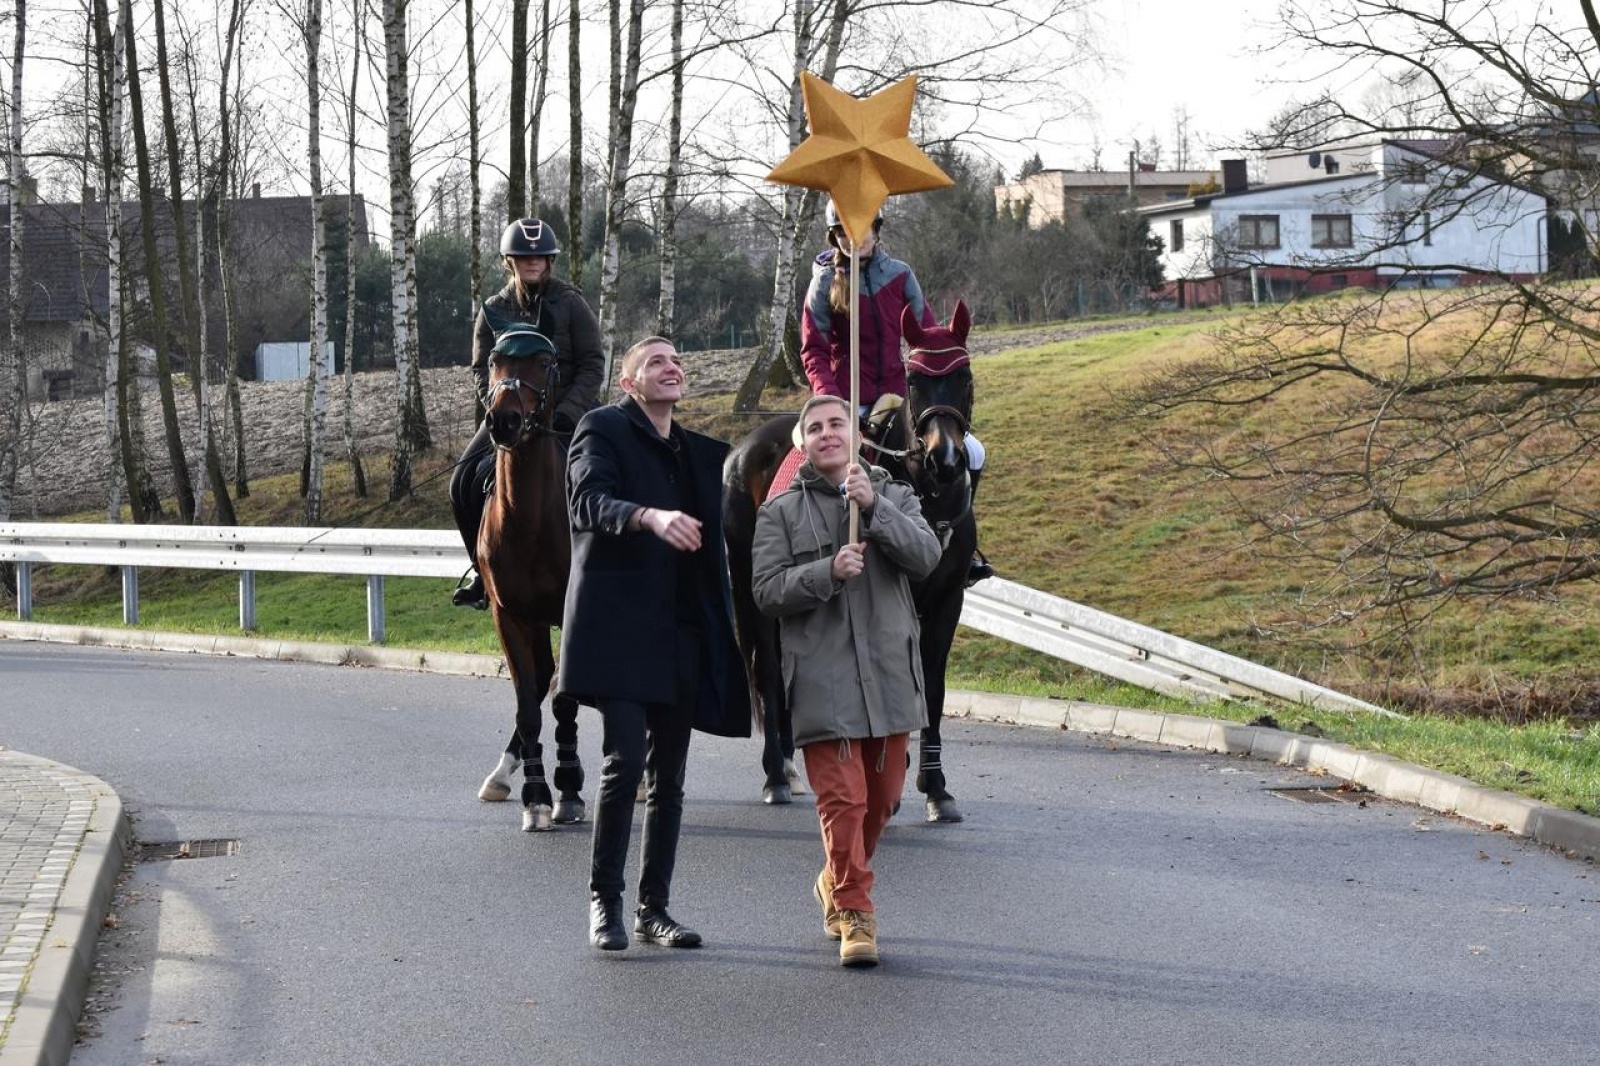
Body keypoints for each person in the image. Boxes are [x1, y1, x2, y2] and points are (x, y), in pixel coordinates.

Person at [558, 335, 752, 953]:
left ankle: (654, 909)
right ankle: (603, 903)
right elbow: (586, 502)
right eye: (655, 362)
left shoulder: (696, 453)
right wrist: (649, 517)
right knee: (622, 768)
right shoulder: (601, 428)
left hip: (681, 632)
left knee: (670, 778)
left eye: (676, 360)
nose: (672, 368)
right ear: (629, 383)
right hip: (619, 630)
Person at [751, 393, 941, 968]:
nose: (828, 433)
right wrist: (825, 572)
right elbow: (766, 591)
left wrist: (876, 509)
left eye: (838, 424)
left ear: (857, 437)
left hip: (888, 674)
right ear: (802, 443)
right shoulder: (779, 512)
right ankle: (856, 912)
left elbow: (928, 556)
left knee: (881, 802)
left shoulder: (896, 494)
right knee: (844, 801)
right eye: (816, 427)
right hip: (822, 677)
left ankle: (836, 877)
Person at [799, 200, 994, 585]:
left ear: (877, 227)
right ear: (834, 237)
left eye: (861, 229)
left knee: (972, 451)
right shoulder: (824, 282)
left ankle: (958, 539)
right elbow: (813, 349)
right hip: (844, 397)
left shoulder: (901, 275)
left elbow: (923, 334)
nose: (853, 238)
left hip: (898, 393)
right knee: (827, 459)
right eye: (843, 232)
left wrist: (945, 359)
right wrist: (832, 400)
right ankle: (825, 544)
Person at [449, 217, 605, 608]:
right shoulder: (493, 310)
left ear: (549, 261)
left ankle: (612, 568)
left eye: (539, 258)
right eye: (523, 257)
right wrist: (499, 407)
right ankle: (481, 574)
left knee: (606, 475)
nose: (532, 263)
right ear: (510, 261)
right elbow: (480, 368)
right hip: (511, 415)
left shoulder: (571, 304)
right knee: (461, 480)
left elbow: (591, 364)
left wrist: (568, 412)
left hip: (568, 413)